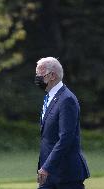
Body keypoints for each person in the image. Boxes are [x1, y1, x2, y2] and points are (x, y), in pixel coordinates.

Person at [34, 57, 90, 189]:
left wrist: (47, 167)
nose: (37, 78)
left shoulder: (67, 99)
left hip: (66, 174)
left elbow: (66, 138)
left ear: (52, 75)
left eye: (40, 74)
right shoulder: (49, 97)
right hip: (49, 174)